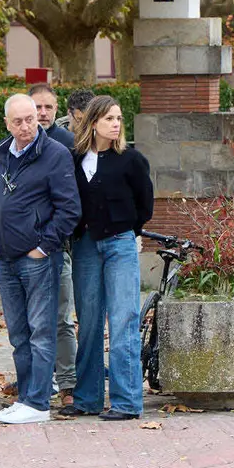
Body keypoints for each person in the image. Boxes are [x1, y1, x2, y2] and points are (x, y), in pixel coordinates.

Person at [0, 94, 81, 424]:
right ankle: (26, 398)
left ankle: (39, 402)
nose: (27, 126)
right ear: (7, 124)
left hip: (38, 259)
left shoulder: (55, 154)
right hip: (6, 257)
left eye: (30, 118)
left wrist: (43, 246)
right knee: (18, 334)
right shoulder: (2, 154)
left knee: (41, 331)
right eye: (18, 121)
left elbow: (70, 209)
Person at [64, 95, 155, 421]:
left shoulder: (132, 160)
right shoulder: (75, 160)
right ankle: (86, 399)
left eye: (119, 118)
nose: (116, 124)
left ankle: (127, 402)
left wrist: (132, 231)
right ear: (93, 123)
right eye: (109, 119)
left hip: (120, 246)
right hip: (86, 246)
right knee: (88, 323)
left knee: (123, 322)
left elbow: (145, 204)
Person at [28, 82, 77, 404]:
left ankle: (68, 382)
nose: (43, 113)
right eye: (37, 108)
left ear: (56, 110)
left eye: (48, 107)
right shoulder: (14, 147)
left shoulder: (69, 145)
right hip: (24, 250)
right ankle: (35, 381)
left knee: (61, 319)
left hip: (59, 247)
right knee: (30, 322)